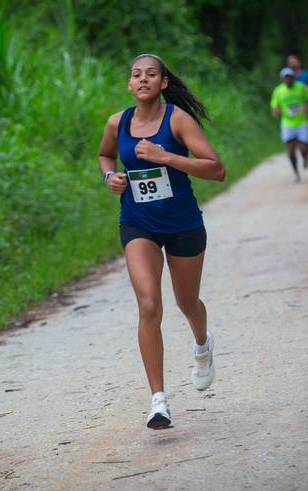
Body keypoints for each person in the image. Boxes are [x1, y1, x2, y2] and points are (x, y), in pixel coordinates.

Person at [97, 53, 224, 429]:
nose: (143, 79)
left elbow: (216, 169)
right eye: (136, 74)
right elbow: (105, 155)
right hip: (138, 223)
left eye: (151, 74)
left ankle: (202, 345)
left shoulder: (177, 120)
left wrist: (165, 156)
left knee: (187, 302)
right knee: (149, 304)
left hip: (182, 223)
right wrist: (109, 177)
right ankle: (159, 402)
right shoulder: (117, 122)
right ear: (129, 84)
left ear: (163, 82)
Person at [270, 67, 308, 182]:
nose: (288, 79)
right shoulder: (278, 91)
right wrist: (275, 111)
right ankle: (296, 173)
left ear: (294, 77)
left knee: (303, 148)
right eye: (286, 78)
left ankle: (305, 157)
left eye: (290, 77)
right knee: (291, 150)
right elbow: (274, 105)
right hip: (287, 123)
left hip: (301, 122)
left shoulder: (301, 87)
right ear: (282, 79)